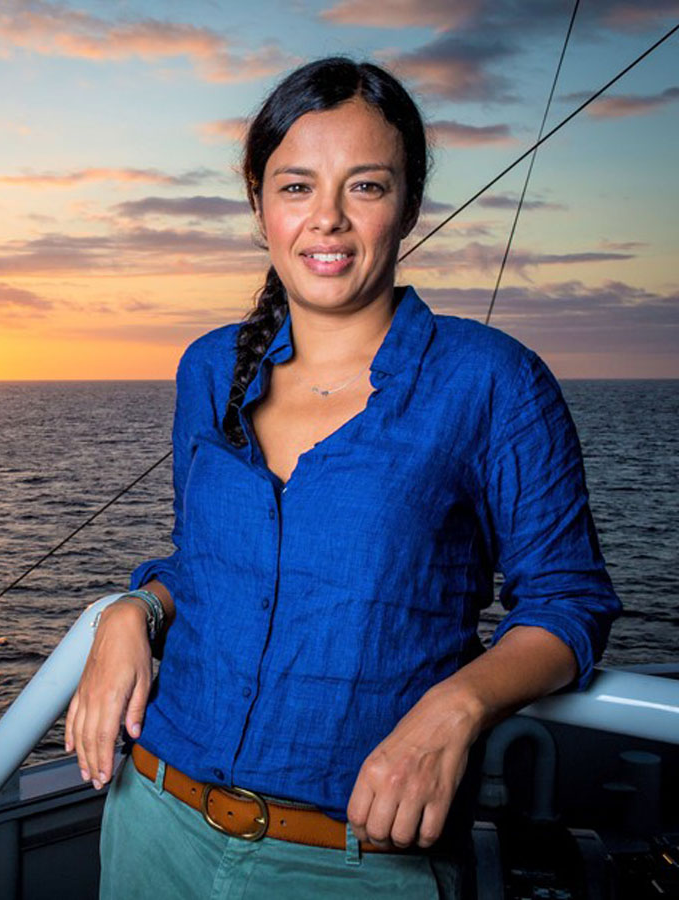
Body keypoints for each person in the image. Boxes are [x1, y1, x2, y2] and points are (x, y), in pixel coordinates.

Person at [64, 57, 621, 899]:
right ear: (258, 204)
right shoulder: (210, 369)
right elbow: (204, 569)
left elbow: (568, 602)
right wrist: (129, 613)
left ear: (408, 201)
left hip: (354, 863)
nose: (326, 220)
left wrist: (456, 708)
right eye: (296, 187)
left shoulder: (493, 381)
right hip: (153, 824)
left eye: (364, 186)